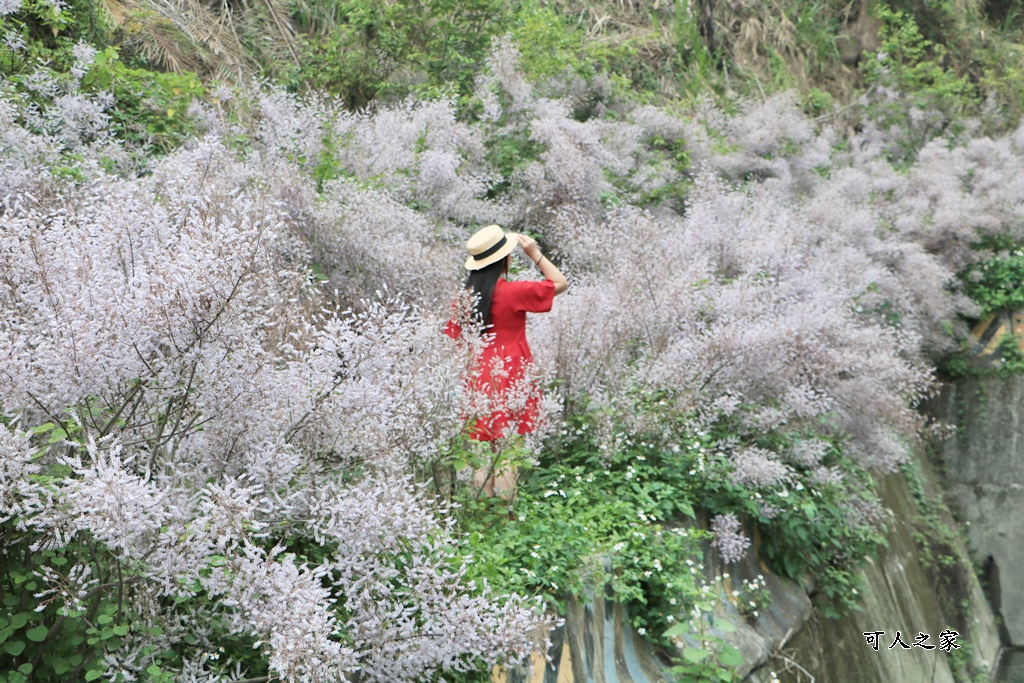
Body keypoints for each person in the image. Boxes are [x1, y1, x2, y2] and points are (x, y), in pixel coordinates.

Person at [445, 224, 568, 496]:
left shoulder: (463, 298)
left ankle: (481, 520)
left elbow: (456, 341)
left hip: (478, 376)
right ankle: (504, 519)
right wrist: (535, 253)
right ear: (505, 260)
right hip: (511, 373)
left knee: (482, 452)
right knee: (509, 451)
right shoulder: (512, 291)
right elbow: (560, 283)